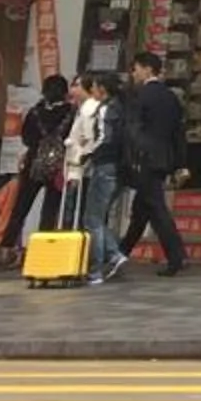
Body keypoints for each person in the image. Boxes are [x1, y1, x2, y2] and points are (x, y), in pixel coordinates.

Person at [115, 51, 189, 278]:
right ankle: (120, 253)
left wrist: (132, 156)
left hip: (145, 159)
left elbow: (134, 131)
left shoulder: (141, 96)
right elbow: (178, 133)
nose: (133, 73)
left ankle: (176, 256)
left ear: (147, 69)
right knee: (142, 210)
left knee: (156, 207)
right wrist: (180, 163)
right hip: (163, 157)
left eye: (136, 68)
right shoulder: (171, 97)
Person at [0, 73, 74, 269]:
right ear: (65, 92)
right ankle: (41, 252)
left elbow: (26, 138)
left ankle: (6, 250)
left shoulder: (34, 112)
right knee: (50, 209)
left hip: (33, 164)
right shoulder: (72, 113)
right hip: (57, 165)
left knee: (20, 207)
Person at [68, 72, 119, 285]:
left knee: (92, 219)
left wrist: (86, 157)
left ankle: (96, 268)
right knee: (94, 217)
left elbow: (93, 139)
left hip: (100, 165)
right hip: (108, 165)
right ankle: (113, 254)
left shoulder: (97, 109)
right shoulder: (114, 108)